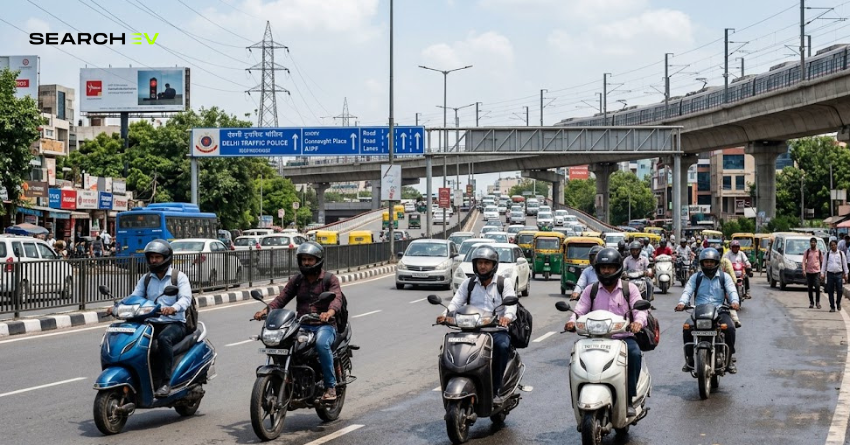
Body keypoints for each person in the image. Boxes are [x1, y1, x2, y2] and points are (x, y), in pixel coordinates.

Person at [254, 242, 343, 400]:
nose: (307, 262)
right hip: (302, 325)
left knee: (321, 344)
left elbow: (336, 298)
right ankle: (288, 379)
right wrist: (266, 311)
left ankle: (330, 387)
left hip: (324, 326)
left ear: (318, 260)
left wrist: (329, 312)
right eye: (304, 259)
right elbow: (282, 298)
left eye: (310, 259)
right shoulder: (297, 280)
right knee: (282, 343)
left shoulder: (329, 279)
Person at [565, 248, 646, 417]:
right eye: (603, 268)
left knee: (634, 353)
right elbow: (579, 310)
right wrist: (572, 321)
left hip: (622, 338)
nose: (606, 271)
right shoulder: (590, 290)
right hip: (595, 338)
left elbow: (640, 310)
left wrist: (638, 322)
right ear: (598, 269)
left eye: (610, 267)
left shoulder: (629, 288)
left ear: (617, 268)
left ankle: (629, 397)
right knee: (575, 358)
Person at [106, 239, 192, 397]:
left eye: (157, 257)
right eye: (151, 257)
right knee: (136, 342)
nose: (154, 260)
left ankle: (166, 383)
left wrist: (173, 308)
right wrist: (117, 307)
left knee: (163, 340)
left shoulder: (178, 277)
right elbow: (134, 297)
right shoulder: (146, 279)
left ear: (166, 257)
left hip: (174, 323)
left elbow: (185, 299)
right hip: (150, 323)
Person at [437, 245, 516, 403]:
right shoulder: (469, 283)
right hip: (471, 329)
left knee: (501, 346)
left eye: (487, 263)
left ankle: (497, 388)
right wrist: (445, 314)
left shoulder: (503, 283)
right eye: (479, 262)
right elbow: (456, 302)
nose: (483, 266)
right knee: (450, 347)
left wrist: (506, 317)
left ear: (494, 265)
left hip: (495, 329)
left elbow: (511, 304)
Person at [676, 248, 740, 373]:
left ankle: (729, 357)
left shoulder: (724, 277)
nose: (709, 264)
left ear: (716, 262)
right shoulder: (696, 277)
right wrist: (682, 303)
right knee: (687, 327)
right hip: (699, 311)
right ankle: (689, 359)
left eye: (711, 261)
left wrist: (735, 302)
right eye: (706, 262)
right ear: (702, 263)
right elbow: (687, 291)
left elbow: (732, 290)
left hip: (719, 310)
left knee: (730, 328)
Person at [820, 239, 848, 313]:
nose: (833, 246)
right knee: (830, 291)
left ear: (836, 245)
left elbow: (844, 264)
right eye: (831, 245)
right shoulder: (828, 254)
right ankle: (832, 306)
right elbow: (824, 264)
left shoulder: (841, 254)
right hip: (830, 274)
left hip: (839, 274)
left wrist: (846, 274)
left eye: (834, 245)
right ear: (830, 246)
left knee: (840, 290)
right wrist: (822, 273)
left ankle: (838, 303)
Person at [802, 237, 823, 309]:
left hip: (817, 271)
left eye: (814, 242)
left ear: (816, 243)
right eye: (811, 242)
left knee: (817, 287)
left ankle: (818, 302)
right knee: (810, 288)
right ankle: (811, 302)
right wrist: (804, 270)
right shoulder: (807, 251)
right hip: (809, 272)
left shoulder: (819, 252)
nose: (813, 243)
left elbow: (822, 261)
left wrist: (822, 272)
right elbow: (804, 261)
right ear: (810, 243)